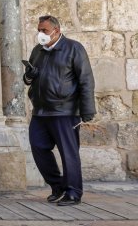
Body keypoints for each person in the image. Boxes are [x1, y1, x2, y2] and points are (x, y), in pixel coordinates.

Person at [23, 15, 95, 206]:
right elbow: (29, 79)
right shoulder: (37, 51)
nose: (41, 34)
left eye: (44, 30)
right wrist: (29, 76)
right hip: (40, 111)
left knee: (68, 153)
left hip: (65, 111)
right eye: (39, 30)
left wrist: (87, 110)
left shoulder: (74, 48)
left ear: (57, 31)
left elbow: (86, 80)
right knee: (38, 148)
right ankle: (58, 186)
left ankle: (73, 192)